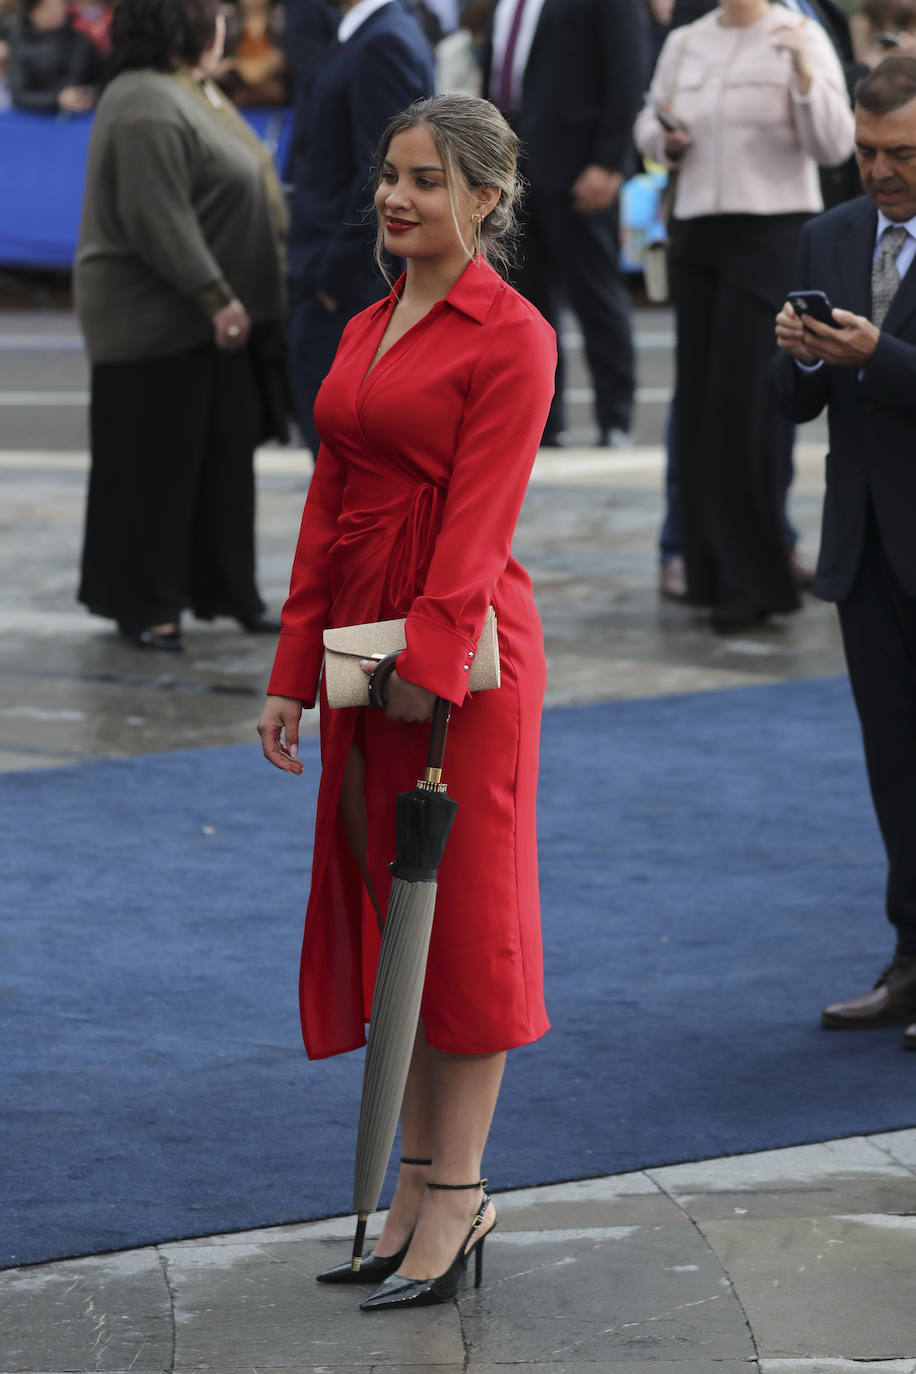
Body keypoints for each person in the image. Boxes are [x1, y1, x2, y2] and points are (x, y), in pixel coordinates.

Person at [258, 94, 555, 1307]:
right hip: (361, 653)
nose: (397, 197)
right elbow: (329, 506)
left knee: (463, 928)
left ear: (485, 199)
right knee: (398, 929)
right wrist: (293, 673)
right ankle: (417, 1192)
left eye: (426, 180)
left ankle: (461, 1196)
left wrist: (418, 682)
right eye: (390, 174)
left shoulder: (513, 334)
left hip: (458, 667)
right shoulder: (368, 322)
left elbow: (478, 531)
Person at [772, 55, 916, 1050]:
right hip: (864, 547)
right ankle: (909, 960)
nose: (881, 170)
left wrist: (883, 359)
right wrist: (796, 353)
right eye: (868, 151)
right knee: (893, 767)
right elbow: (794, 403)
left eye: (901, 152)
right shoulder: (828, 231)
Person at [634, 0, 855, 633]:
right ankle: (705, 570)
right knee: (700, 407)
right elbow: (647, 125)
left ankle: (753, 580)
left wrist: (807, 79)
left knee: (745, 408)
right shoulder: (687, 40)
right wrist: (664, 138)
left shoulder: (800, 34)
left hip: (771, 234)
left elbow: (835, 143)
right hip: (697, 232)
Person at [74, 0, 285, 650]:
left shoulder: (194, 90)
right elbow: (156, 215)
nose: (225, 26)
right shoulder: (141, 100)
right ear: (182, 25)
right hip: (160, 322)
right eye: (213, 15)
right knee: (153, 468)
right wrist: (215, 294)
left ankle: (227, 589)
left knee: (224, 454)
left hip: (213, 323)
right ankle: (148, 605)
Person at [483, 0, 647, 448]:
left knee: (596, 295)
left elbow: (629, 71)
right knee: (522, 303)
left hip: (579, 166)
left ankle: (615, 420)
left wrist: (610, 162)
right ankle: (543, 424)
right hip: (510, 168)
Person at [287, 0, 434, 457]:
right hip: (339, 273)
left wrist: (334, 276)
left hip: (348, 283)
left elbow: (384, 175)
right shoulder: (366, 33)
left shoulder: (383, 40)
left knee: (349, 462)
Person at [8, 0, 101, 113]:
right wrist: (57, 98)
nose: (57, 11)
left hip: (82, 116)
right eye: (48, 7)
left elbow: (101, 79)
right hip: (39, 119)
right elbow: (19, 94)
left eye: (60, 5)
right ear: (31, 11)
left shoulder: (80, 41)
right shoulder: (21, 46)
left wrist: (91, 93)